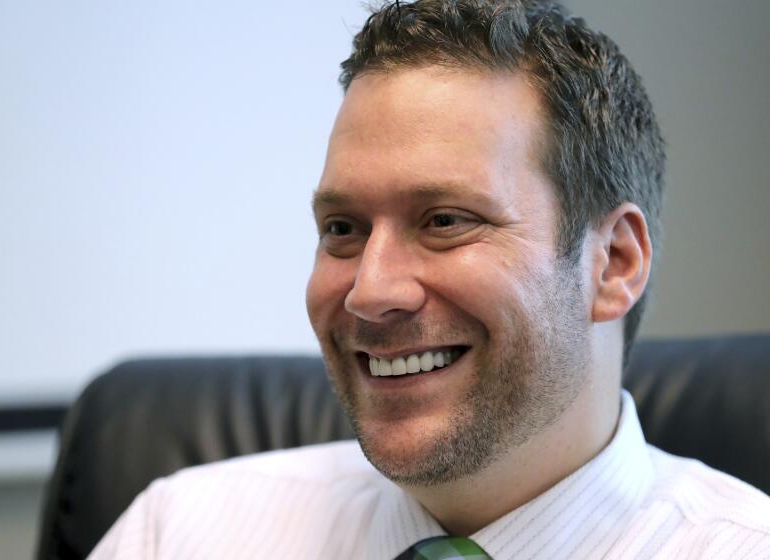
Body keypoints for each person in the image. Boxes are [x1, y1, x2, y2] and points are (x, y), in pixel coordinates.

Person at [89, 1, 770, 558]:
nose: (371, 291)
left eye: (445, 220)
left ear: (614, 263)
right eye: (343, 229)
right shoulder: (181, 534)